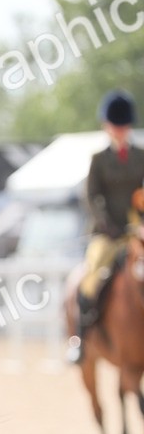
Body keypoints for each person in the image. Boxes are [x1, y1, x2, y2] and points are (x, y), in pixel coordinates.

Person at [67, 88, 144, 363]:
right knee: (91, 278)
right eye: (115, 126)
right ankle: (80, 337)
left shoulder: (141, 156)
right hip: (108, 234)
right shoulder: (99, 159)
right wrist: (107, 224)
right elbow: (91, 196)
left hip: (137, 232)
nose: (120, 131)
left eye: (123, 126)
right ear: (107, 126)